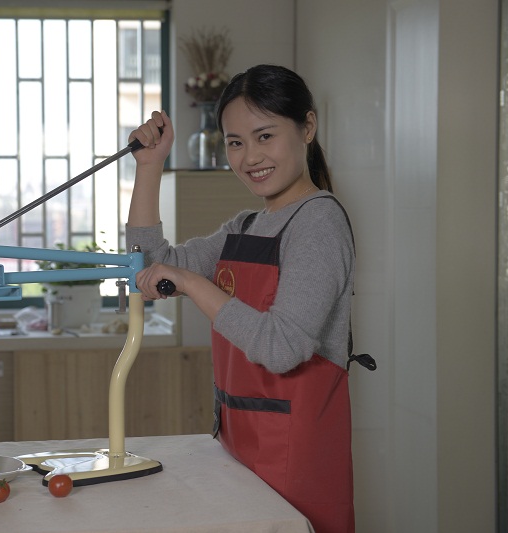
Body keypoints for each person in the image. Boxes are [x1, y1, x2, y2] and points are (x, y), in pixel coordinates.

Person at [126, 64, 374, 533]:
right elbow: (149, 266)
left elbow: (281, 348)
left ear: (308, 127)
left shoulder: (319, 223)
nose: (249, 157)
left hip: (296, 467)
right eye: (235, 142)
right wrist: (149, 166)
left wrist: (196, 284)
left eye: (265, 136)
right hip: (239, 449)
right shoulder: (244, 227)